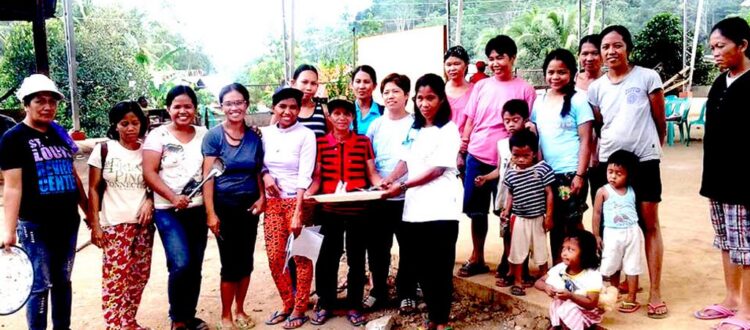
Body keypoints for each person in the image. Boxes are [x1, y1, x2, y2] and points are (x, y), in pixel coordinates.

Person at [587, 25, 667, 319]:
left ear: (628, 48)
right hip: (610, 164)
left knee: (649, 224)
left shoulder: (647, 77)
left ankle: (655, 291)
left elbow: (660, 121)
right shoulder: (596, 88)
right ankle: (619, 285)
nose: (611, 51)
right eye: (606, 46)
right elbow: (599, 124)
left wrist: (653, 149)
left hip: (644, 162)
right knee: (615, 224)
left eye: (617, 45)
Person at [0, 74, 88, 330]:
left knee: (63, 281)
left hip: (67, 222)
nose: (47, 106)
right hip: (34, 225)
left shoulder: (60, 134)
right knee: (38, 286)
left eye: (52, 101)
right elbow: (13, 187)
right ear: (26, 104)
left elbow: (73, 177)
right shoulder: (13, 138)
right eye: (40, 101)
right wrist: (8, 230)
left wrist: (89, 214)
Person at [382, 73, 462, 330]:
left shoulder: (448, 130)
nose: (424, 104)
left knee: (440, 266)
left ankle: (441, 321)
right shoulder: (414, 129)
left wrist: (401, 186)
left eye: (430, 98)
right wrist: (389, 180)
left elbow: (437, 170)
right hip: (415, 209)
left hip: (441, 208)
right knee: (421, 266)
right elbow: (405, 161)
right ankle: (433, 316)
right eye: (420, 98)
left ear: (441, 99)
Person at [459, 35, 536, 278]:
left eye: (500, 57)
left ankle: (509, 259)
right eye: (491, 58)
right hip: (477, 156)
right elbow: (470, 119)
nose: (495, 63)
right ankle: (477, 257)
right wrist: (463, 148)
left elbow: (532, 124)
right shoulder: (481, 86)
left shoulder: (525, 89)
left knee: (508, 212)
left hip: (510, 162)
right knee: (476, 211)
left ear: (512, 58)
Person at [695, 17, 750, 329]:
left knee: (746, 247)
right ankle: (731, 299)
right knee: (726, 242)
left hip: (743, 183)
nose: (715, 53)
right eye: (712, 47)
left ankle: (747, 311)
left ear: (742, 46)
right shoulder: (720, 82)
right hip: (716, 180)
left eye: (721, 46)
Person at [307, 99, 381, 326]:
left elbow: (372, 174)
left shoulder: (363, 142)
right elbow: (318, 178)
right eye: (336, 113)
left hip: (358, 210)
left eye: (346, 114)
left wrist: (382, 185)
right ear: (329, 117)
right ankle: (326, 303)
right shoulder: (320, 142)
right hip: (328, 210)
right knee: (326, 259)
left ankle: (354, 305)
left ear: (352, 117)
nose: (341, 118)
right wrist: (306, 196)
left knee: (357, 259)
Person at [142, 85, 209, 330]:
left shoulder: (205, 134)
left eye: (188, 106)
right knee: (180, 262)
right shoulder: (157, 136)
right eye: (177, 106)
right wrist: (172, 197)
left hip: (198, 209)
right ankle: (178, 319)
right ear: (169, 109)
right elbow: (149, 172)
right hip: (167, 210)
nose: (183, 111)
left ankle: (189, 314)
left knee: (195, 264)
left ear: (195, 108)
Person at [202, 83, 265, 329]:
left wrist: (262, 198)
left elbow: (258, 171)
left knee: (246, 260)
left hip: (249, 208)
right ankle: (226, 315)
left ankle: (240, 310)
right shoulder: (214, 137)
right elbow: (207, 177)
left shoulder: (254, 137)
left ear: (246, 105)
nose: (234, 107)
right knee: (230, 263)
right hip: (224, 208)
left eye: (239, 102)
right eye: (229, 103)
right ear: (221, 106)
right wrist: (210, 213)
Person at [87, 101, 154, 330]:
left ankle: (129, 322)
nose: (130, 128)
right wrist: (95, 225)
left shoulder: (149, 150)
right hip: (114, 225)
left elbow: (156, 182)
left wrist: (150, 200)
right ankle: (114, 325)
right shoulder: (104, 150)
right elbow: (93, 189)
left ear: (142, 124)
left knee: (138, 277)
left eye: (135, 123)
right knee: (115, 279)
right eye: (124, 123)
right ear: (115, 126)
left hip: (143, 225)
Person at [260, 88, 316, 329]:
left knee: (302, 258)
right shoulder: (265, 134)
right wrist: (265, 176)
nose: (288, 111)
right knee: (275, 256)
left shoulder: (306, 135)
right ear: (274, 108)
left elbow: (306, 174)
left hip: (298, 200)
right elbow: (258, 162)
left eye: (293, 107)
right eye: (283, 106)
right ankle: (286, 302)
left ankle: (299, 308)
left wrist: (298, 212)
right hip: (273, 202)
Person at [532, 49, 593, 264]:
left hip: (570, 173)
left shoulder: (579, 101)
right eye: (551, 72)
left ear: (572, 74)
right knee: (553, 222)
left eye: (562, 72)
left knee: (573, 223)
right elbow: (535, 136)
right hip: (547, 175)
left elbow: (586, 140)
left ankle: (586, 264)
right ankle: (559, 268)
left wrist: (580, 174)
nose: (555, 77)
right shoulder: (539, 102)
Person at [365, 73, 417, 314]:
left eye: (396, 91)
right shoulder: (376, 125)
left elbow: (411, 157)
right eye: (386, 92)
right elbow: (368, 158)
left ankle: (407, 292)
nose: (390, 96)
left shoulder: (415, 123)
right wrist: (378, 182)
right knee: (378, 248)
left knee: (409, 247)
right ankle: (379, 291)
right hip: (380, 197)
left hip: (408, 194)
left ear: (406, 95)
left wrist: (393, 180)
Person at [474, 99, 534, 288]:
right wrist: (485, 177)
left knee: (522, 235)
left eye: (515, 120)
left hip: (523, 198)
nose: (511, 124)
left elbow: (536, 165)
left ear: (525, 120)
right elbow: (499, 170)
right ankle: (510, 268)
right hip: (503, 197)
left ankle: (520, 271)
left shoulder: (531, 141)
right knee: (507, 234)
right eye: (507, 120)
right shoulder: (501, 144)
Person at [500, 129, 554, 296]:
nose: (521, 159)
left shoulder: (542, 169)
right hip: (519, 218)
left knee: (541, 250)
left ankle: (545, 278)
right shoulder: (510, 173)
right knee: (517, 250)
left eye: (526, 155)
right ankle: (518, 281)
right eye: (516, 155)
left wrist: (549, 216)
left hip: (538, 218)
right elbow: (510, 194)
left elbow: (549, 193)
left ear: (534, 153)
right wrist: (506, 211)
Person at [591, 149, 643, 314]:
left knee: (632, 265)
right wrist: (596, 235)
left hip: (632, 232)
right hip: (612, 233)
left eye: (618, 173)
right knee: (611, 264)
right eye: (610, 172)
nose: (613, 176)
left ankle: (632, 298)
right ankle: (613, 292)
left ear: (628, 175)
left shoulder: (632, 190)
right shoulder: (603, 191)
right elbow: (597, 213)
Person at [535, 230, 603, 330]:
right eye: (564, 248)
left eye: (571, 250)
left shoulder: (592, 274)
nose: (564, 253)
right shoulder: (560, 268)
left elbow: (592, 303)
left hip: (588, 313)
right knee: (556, 302)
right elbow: (538, 282)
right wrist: (546, 287)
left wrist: (571, 296)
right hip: (568, 307)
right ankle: (557, 326)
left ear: (585, 254)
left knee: (570, 307)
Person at [273, 64, 329, 138]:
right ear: (293, 83)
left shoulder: (323, 110)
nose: (309, 88)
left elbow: (332, 138)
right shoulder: (282, 112)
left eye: (313, 83)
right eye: (304, 82)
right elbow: (272, 137)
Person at [444, 45, 474, 173]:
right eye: (448, 64)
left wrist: (462, 149)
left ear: (466, 65)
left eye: (457, 64)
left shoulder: (475, 90)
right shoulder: (440, 90)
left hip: (469, 149)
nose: (452, 68)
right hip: (444, 146)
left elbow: (474, 120)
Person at [351, 65, 383, 134]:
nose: (361, 86)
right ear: (351, 85)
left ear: (374, 86)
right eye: (358, 81)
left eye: (366, 82)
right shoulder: (345, 112)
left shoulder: (383, 113)